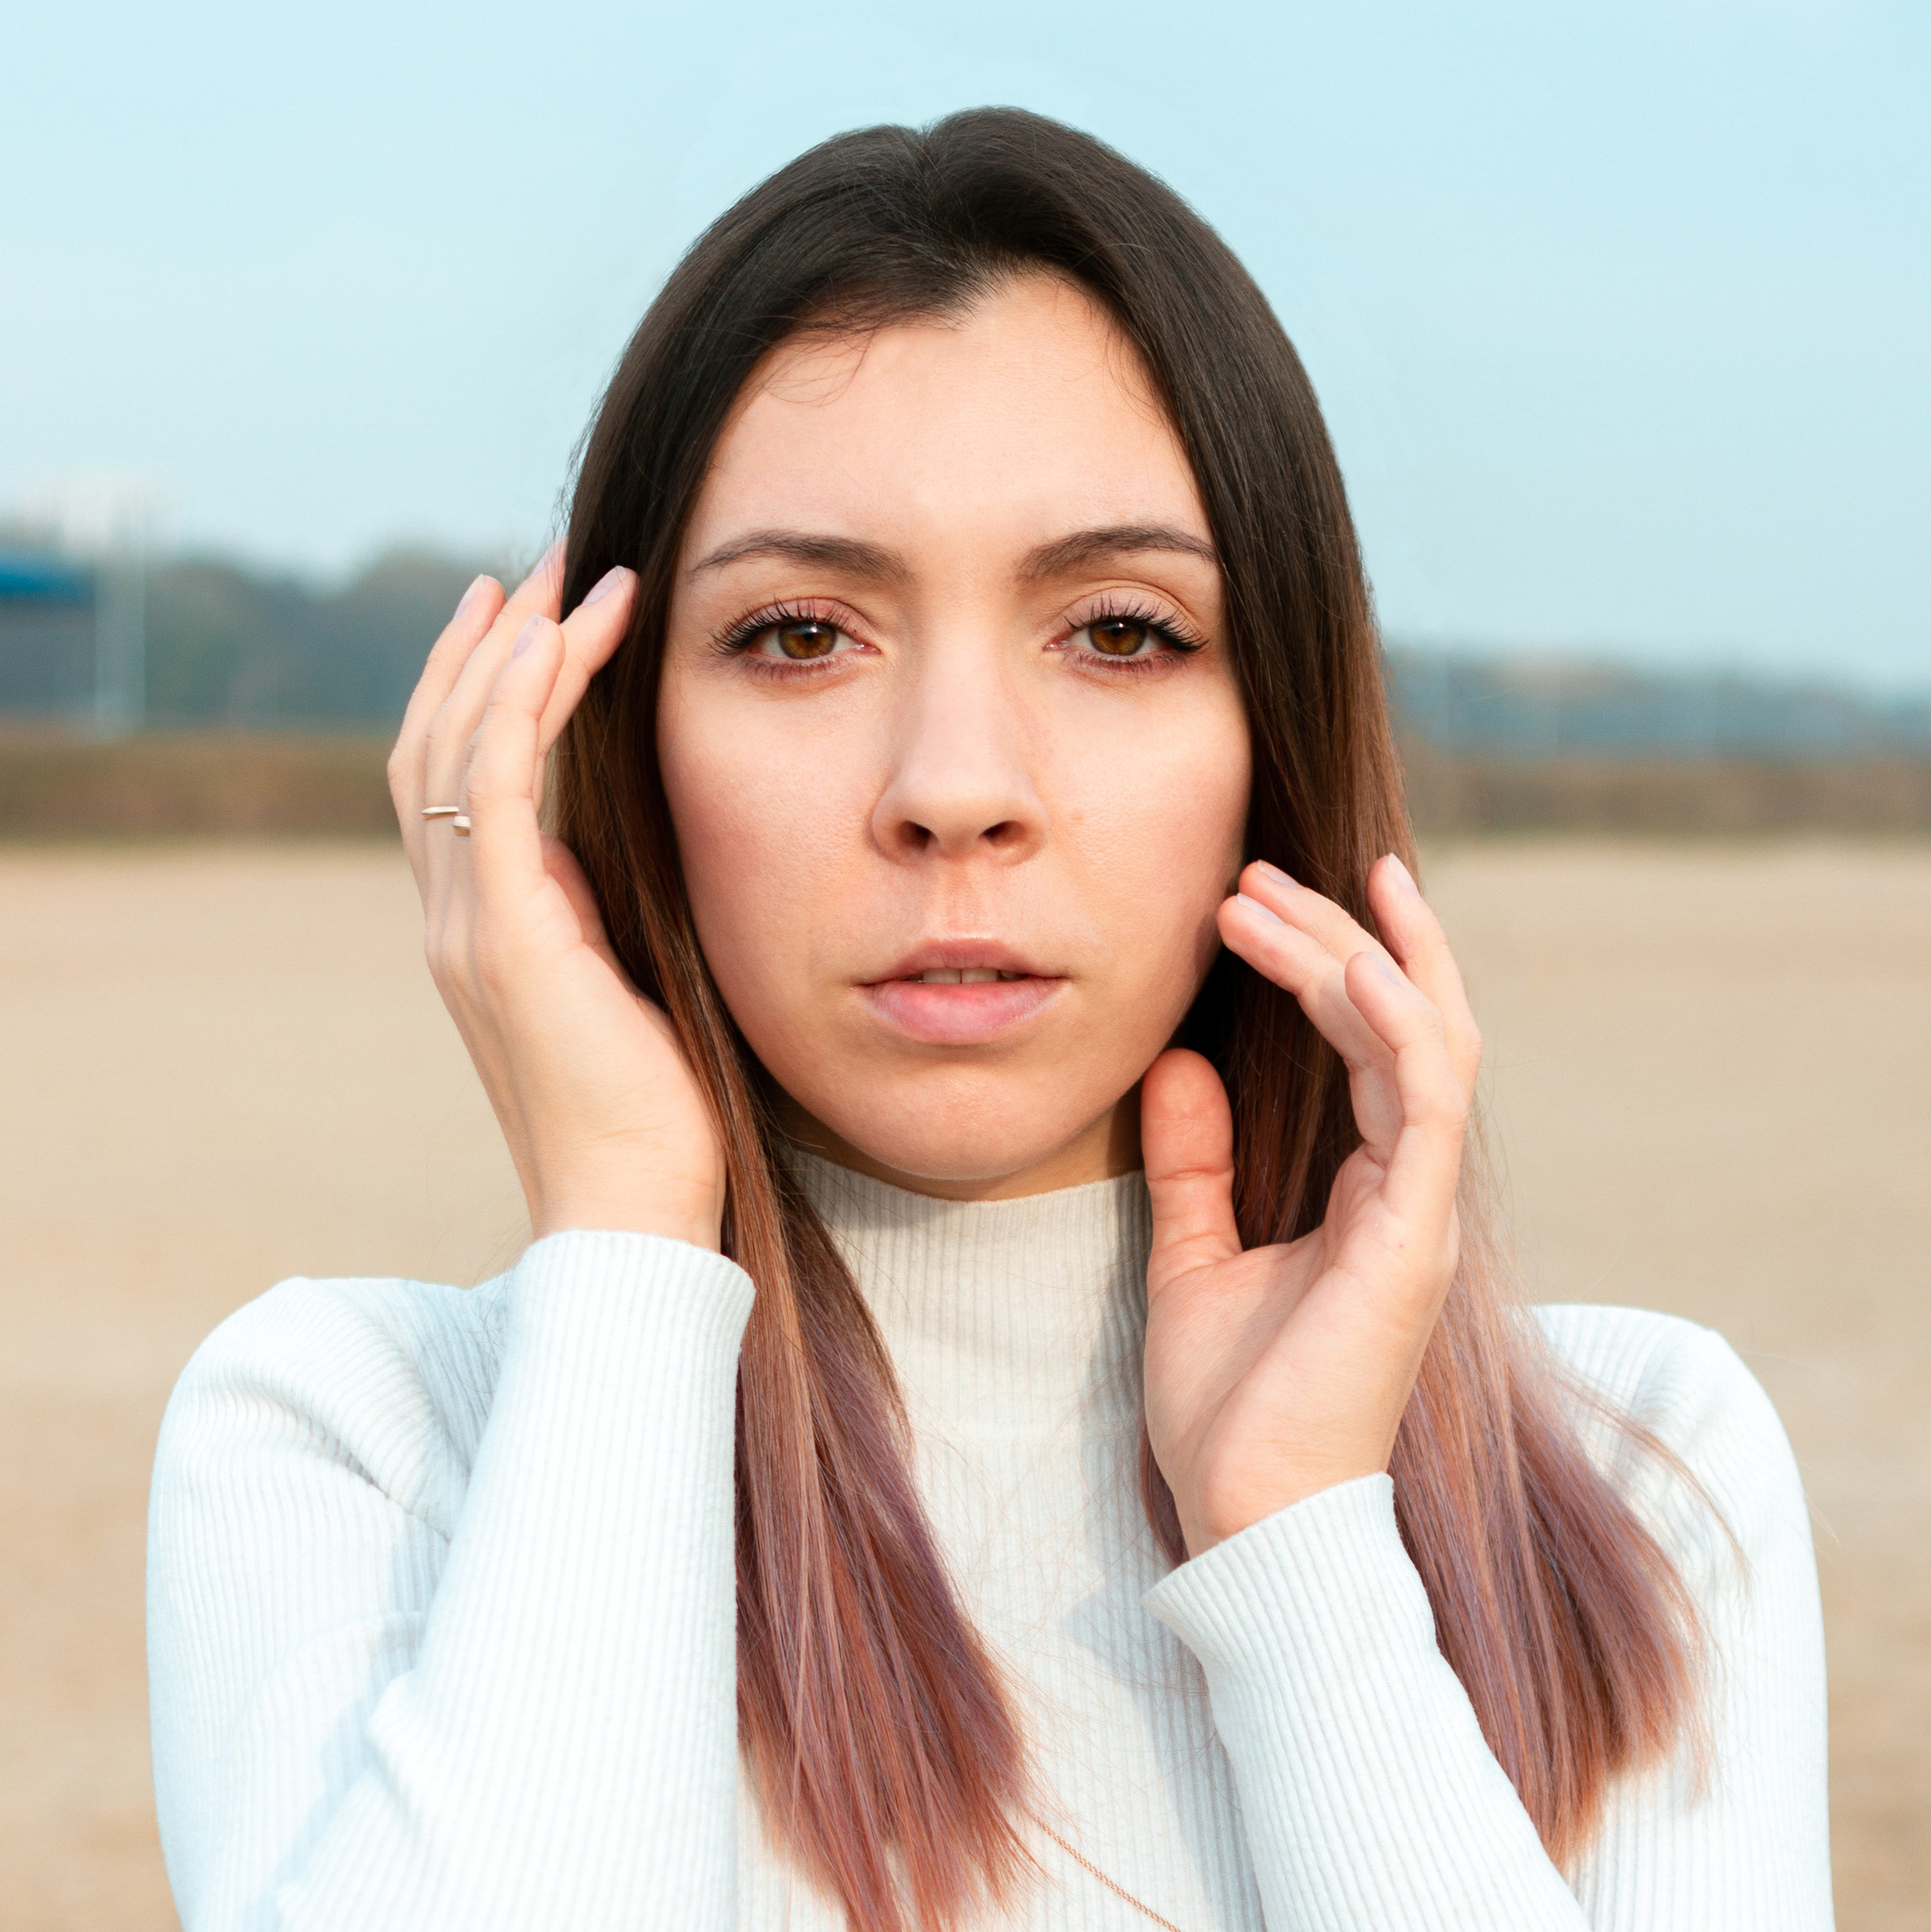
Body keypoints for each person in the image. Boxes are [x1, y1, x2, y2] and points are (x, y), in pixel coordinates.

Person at [146, 110, 1831, 1931]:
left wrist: (1302, 1552)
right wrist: (628, 1231)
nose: (954, 787)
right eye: (799, 633)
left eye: (1116, 630)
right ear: (606, 733)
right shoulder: (361, 1441)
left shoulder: (1633, 1473)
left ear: (1273, 728)